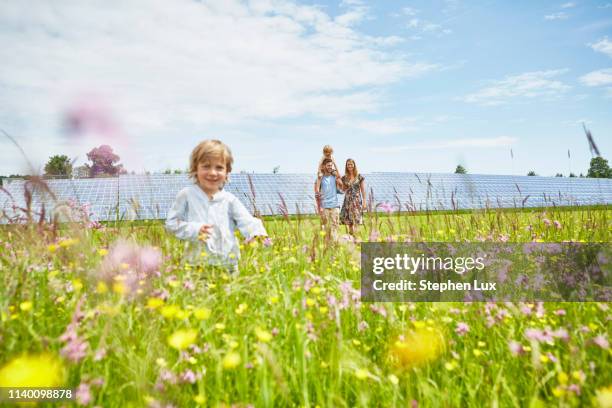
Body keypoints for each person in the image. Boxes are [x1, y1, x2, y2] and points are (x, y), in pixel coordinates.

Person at [165, 139, 267, 273]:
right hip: (196, 266)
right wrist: (195, 229)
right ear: (195, 168)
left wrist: (257, 234)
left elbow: (246, 220)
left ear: (227, 172)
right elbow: (171, 224)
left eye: (219, 167)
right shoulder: (187, 195)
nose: (213, 173)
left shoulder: (230, 200)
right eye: (206, 166)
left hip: (227, 266)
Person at [315, 158, 344, 244]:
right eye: (328, 165)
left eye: (331, 165)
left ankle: (335, 245)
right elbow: (317, 190)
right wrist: (319, 206)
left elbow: (341, 184)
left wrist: (335, 164)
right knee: (325, 228)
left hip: (335, 206)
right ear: (324, 166)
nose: (330, 167)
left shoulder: (334, 177)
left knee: (335, 227)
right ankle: (326, 246)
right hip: (325, 207)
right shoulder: (320, 178)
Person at [340, 158, 366, 237]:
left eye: (351, 164)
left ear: (354, 165)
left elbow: (363, 191)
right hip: (347, 201)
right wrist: (342, 184)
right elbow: (343, 190)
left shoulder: (359, 177)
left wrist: (364, 202)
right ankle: (351, 239)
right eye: (348, 165)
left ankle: (356, 238)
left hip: (357, 201)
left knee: (356, 221)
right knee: (349, 222)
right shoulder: (344, 178)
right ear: (346, 166)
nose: (350, 166)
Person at [314, 145, 339, 212]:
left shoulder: (332, 157)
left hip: (330, 170)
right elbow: (319, 165)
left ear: (331, 152)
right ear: (324, 152)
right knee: (320, 176)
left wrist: (335, 169)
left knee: (336, 174)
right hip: (323, 170)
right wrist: (319, 172)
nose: (328, 153)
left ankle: (339, 188)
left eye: (329, 152)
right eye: (326, 152)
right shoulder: (323, 157)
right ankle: (318, 189)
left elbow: (334, 165)